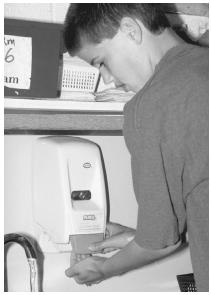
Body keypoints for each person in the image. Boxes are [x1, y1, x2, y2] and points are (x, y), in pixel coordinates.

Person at [63, 4, 209, 291]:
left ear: (130, 30)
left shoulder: (150, 106)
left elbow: (159, 244)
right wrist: (138, 236)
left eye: (100, 61)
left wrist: (104, 269)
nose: (107, 79)